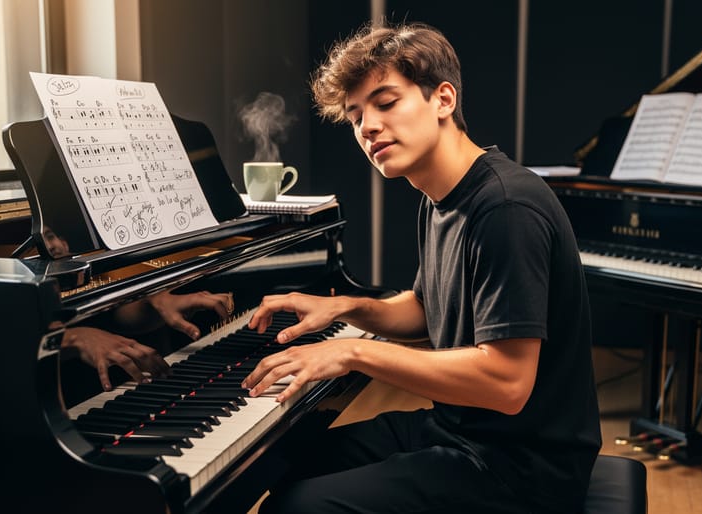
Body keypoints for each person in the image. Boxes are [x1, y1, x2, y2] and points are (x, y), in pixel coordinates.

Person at [241, 21, 602, 514]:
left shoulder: (505, 207)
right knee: (283, 459)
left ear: (443, 100)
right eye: (355, 115)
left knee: (300, 506)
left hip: (521, 468)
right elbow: (427, 309)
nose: (367, 127)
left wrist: (353, 354)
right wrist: (343, 308)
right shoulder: (437, 197)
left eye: (386, 103)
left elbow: (507, 383)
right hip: (458, 429)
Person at [42, 225, 236, 391]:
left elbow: (116, 318)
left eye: (50, 236)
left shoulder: (96, 275)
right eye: (39, 242)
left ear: (65, 242)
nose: (49, 246)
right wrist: (74, 337)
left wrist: (154, 299)